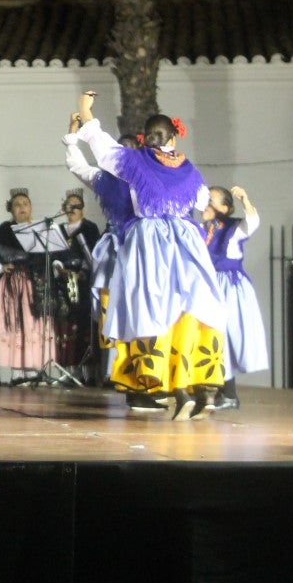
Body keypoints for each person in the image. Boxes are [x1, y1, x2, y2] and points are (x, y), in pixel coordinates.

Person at [73, 89, 227, 419]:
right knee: (191, 304)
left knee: (148, 307)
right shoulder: (190, 170)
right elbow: (201, 204)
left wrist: (86, 112)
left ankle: (164, 385)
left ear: (148, 137)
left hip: (149, 240)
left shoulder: (135, 161)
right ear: (174, 136)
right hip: (184, 239)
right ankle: (198, 386)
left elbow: (102, 149)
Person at [63, 116, 140, 390]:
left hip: (139, 249)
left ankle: (140, 370)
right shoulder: (104, 180)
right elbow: (78, 166)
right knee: (110, 308)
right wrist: (73, 135)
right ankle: (113, 371)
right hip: (112, 252)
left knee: (138, 308)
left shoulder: (146, 181)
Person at [202, 185, 267, 410]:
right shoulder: (201, 228)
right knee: (208, 337)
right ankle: (215, 390)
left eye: (211, 201)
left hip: (227, 285)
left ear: (225, 208)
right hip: (207, 285)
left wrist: (245, 199)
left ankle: (228, 393)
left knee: (224, 336)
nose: (206, 205)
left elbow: (253, 222)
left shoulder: (234, 227)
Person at [0, 188, 55, 378]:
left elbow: (55, 254)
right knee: (15, 324)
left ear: (31, 207)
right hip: (13, 285)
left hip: (37, 283)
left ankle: (35, 369)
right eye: (17, 204)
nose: (22, 207)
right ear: (10, 210)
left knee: (35, 324)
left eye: (25, 203)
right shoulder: (4, 231)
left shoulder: (43, 229)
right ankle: (17, 372)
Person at [54, 188, 99, 376]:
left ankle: (86, 372)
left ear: (83, 209)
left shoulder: (90, 228)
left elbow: (95, 255)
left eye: (76, 206)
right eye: (68, 206)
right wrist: (58, 268)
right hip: (63, 283)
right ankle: (67, 371)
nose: (72, 209)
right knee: (64, 324)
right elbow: (54, 256)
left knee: (83, 325)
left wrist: (82, 272)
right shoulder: (58, 230)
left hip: (83, 282)